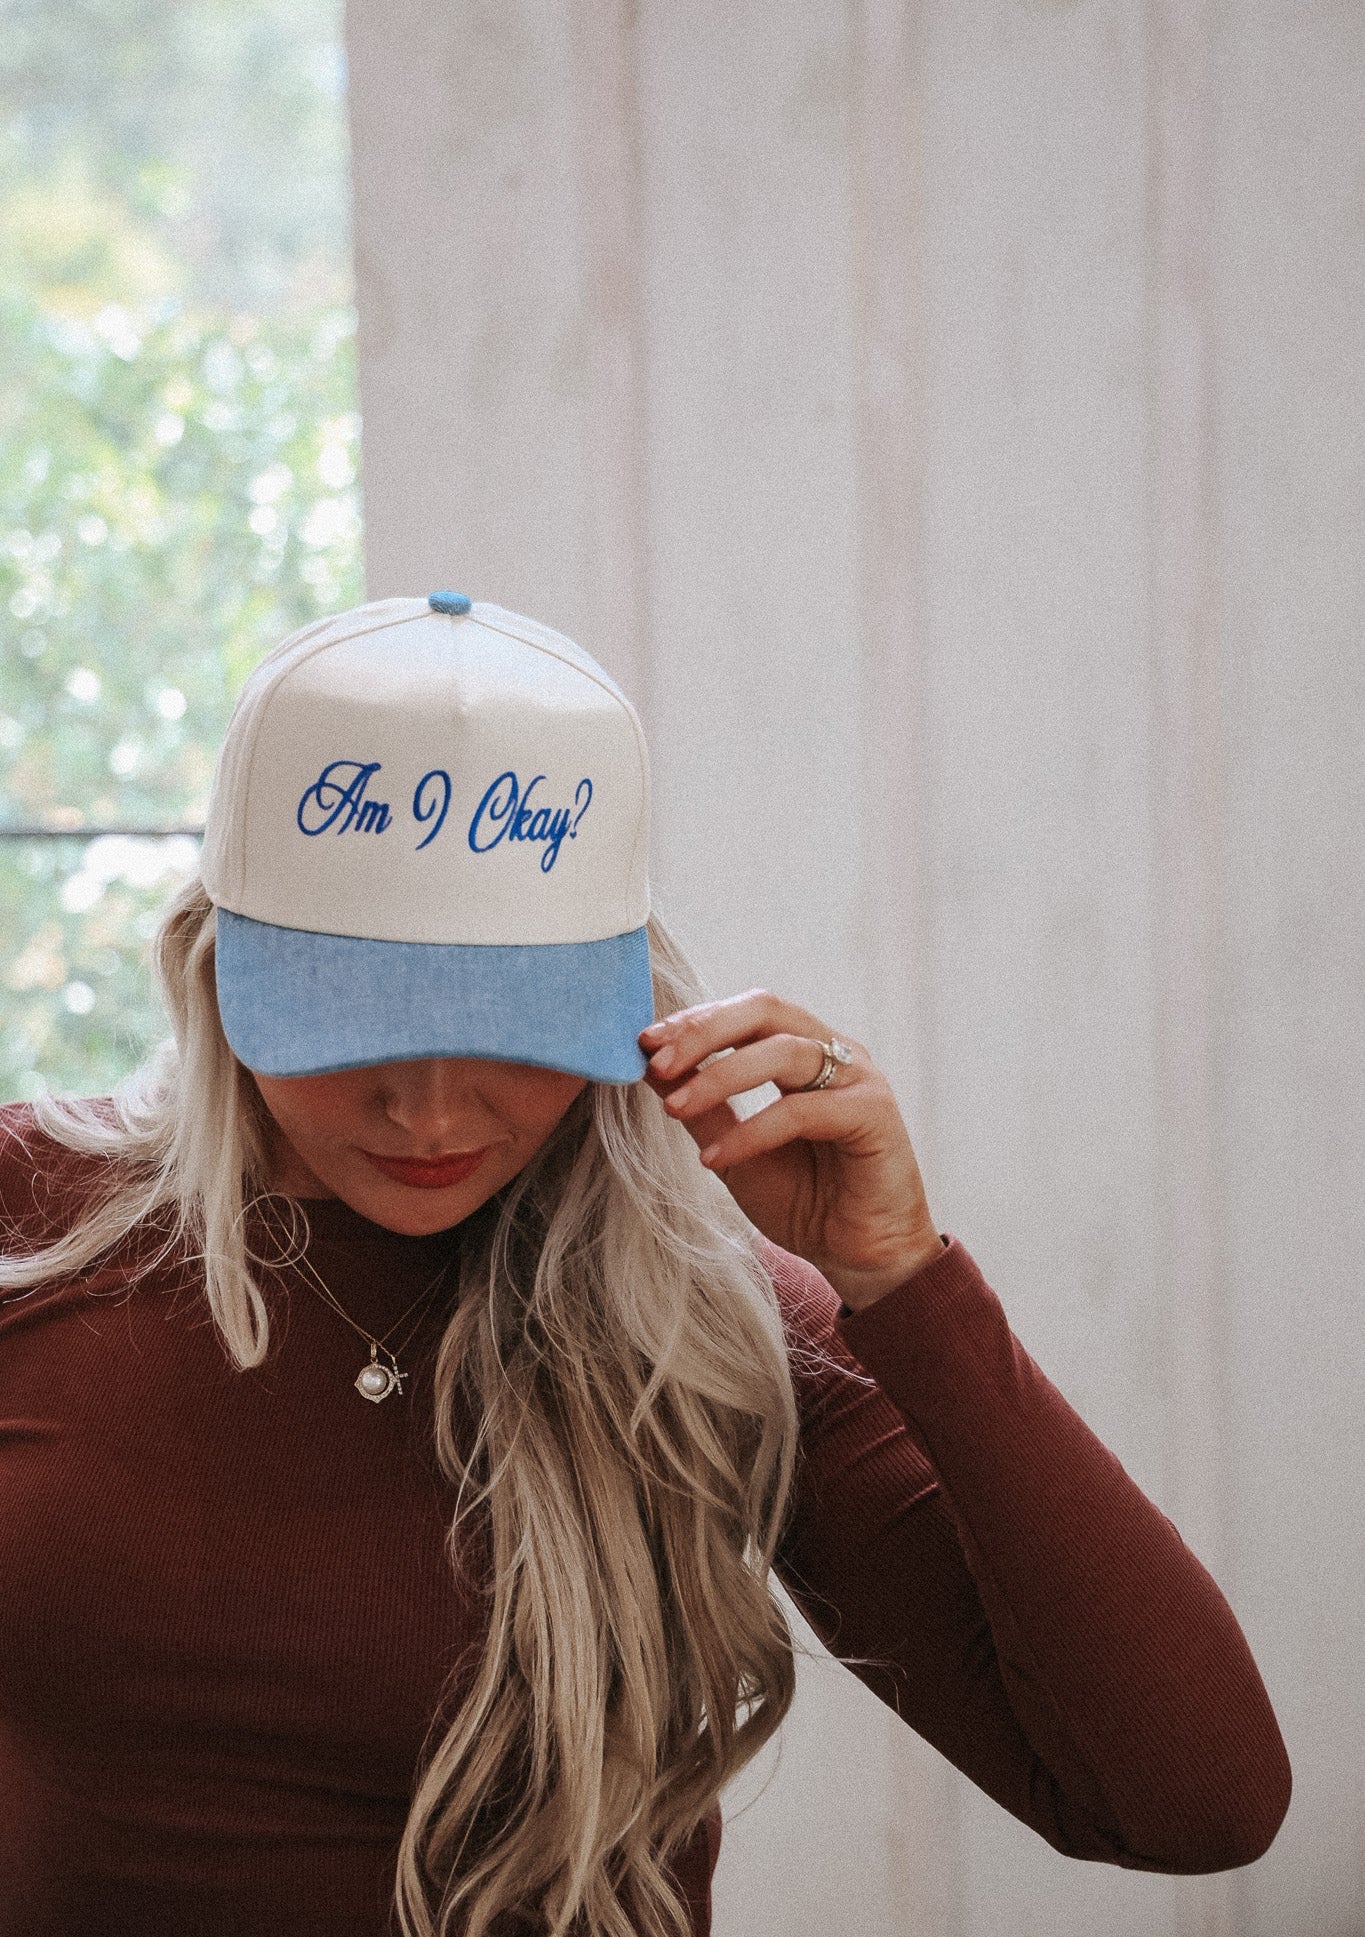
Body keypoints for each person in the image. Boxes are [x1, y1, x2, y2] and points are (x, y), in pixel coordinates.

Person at [0, 594, 1290, 1937]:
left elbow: (1195, 1803)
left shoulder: (710, 1329)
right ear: (217, 968)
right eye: (353, 1020)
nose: (430, 1111)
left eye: (510, 1026)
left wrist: (907, 1282)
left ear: (627, 1002)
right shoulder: (31, 1219)